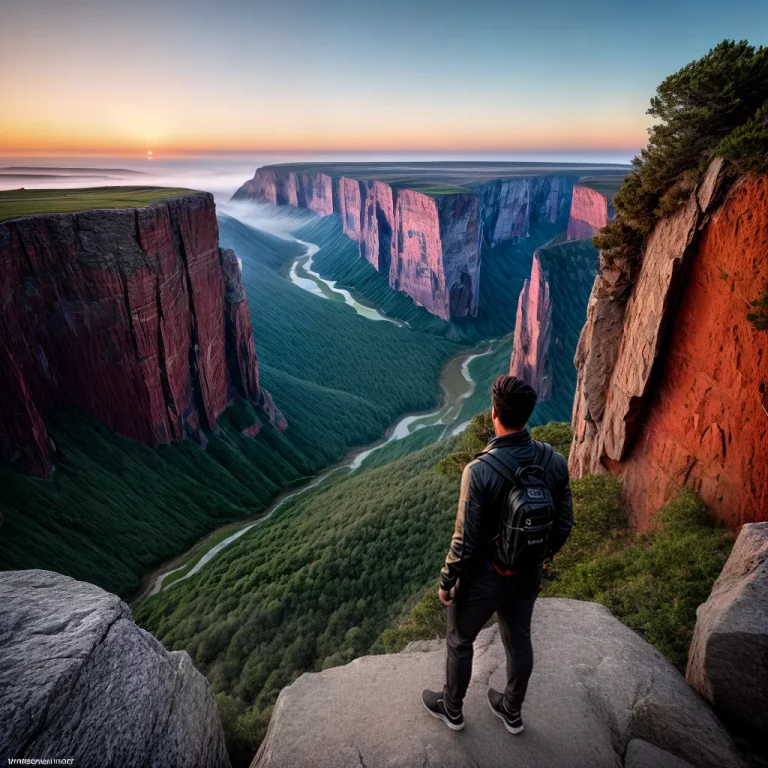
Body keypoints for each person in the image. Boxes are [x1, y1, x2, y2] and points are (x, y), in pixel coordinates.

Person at [422, 375, 573, 734]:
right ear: (529, 414)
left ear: (493, 413)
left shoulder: (479, 470)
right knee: (519, 639)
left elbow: (465, 540)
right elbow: (564, 524)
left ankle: (453, 708)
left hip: (485, 578)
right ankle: (511, 709)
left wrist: (447, 581)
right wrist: (541, 557)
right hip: (528, 574)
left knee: (460, 639)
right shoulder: (555, 462)